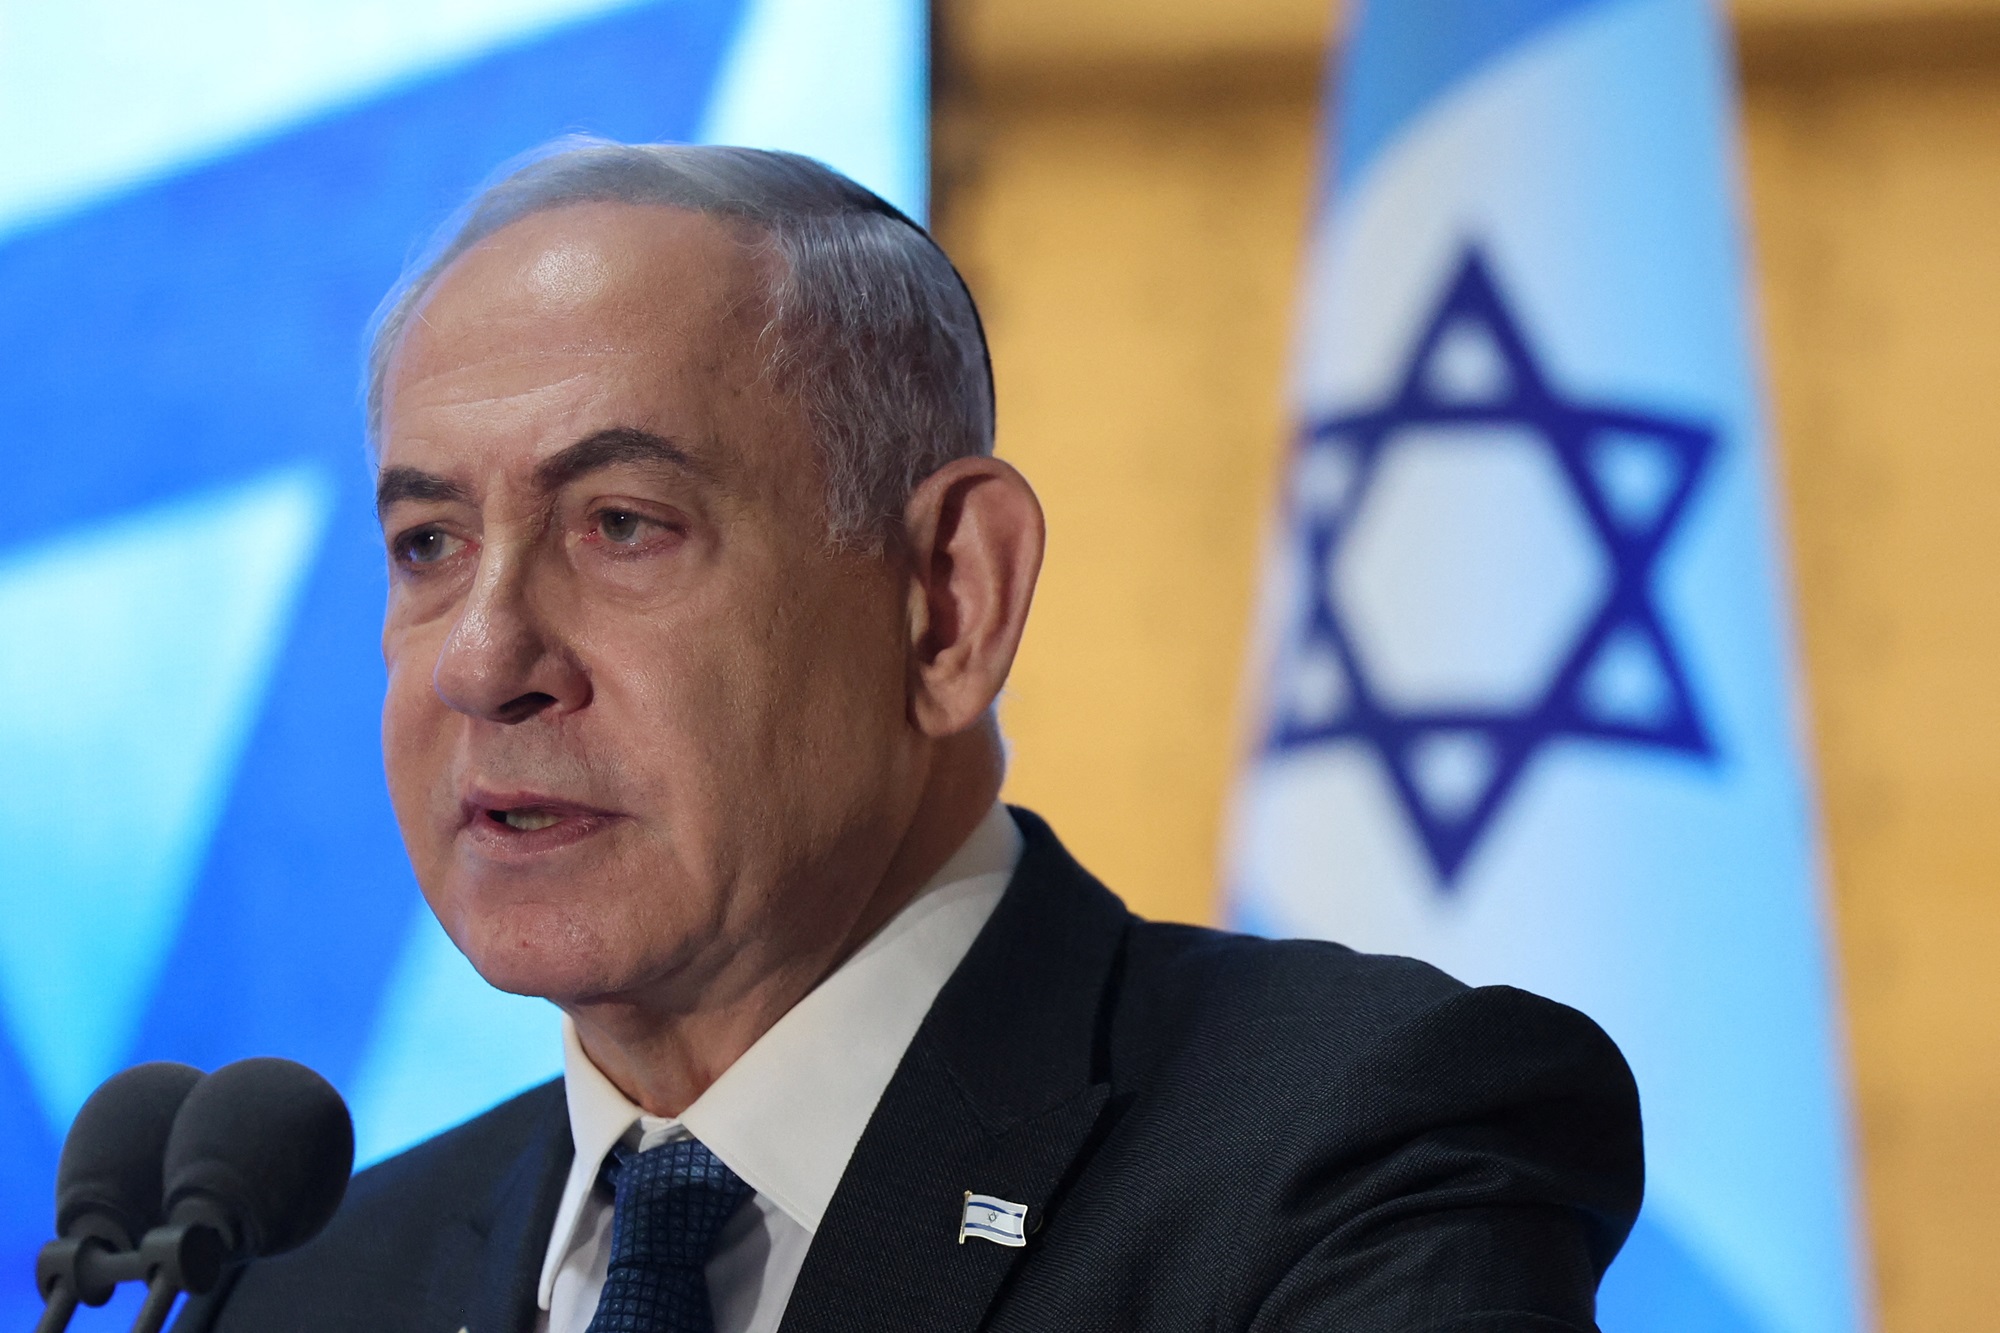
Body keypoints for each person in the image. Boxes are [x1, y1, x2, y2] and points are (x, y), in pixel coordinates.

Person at [176, 139, 1642, 1333]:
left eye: (622, 524)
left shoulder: (1353, 1158)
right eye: (429, 543)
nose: (484, 659)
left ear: (949, 600)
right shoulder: (306, 1287)